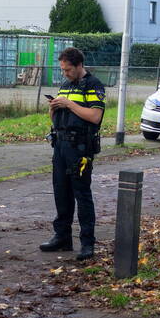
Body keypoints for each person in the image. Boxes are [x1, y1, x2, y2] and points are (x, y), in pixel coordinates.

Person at [41, 47, 105, 261]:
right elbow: (57, 117)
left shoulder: (93, 85)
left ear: (79, 66)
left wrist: (68, 103)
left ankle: (87, 243)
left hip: (80, 147)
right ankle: (62, 237)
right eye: (62, 70)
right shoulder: (66, 85)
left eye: (68, 69)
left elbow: (95, 116)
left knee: (81, 194)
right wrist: (54, 108)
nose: (65, 73)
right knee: (61, 192)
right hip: (60, 144)